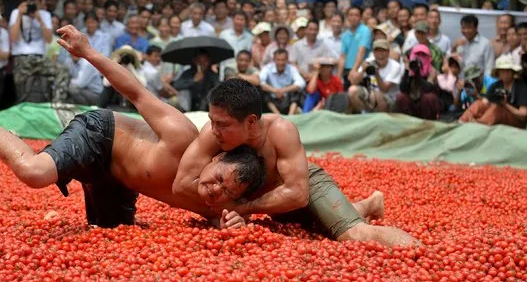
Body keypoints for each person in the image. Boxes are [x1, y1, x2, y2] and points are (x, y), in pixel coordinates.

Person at [0, 25, 265, 229]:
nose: (214, 190)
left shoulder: (213, 201)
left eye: (224, 192)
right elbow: (134, 90)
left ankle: (20, 145)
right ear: (215, 158)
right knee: (33, 172)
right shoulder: (181, 136)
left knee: (109, 232)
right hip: (102, 135)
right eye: (217, 179)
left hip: (116, 181)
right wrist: (88, 52)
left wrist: (234, 221)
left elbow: (229, 216)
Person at [172, 78, 419, 247]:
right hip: (271, 205)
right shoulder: (213, 133)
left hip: (305, 186)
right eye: (212, 121)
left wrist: (244, 209)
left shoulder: (280, 131)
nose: (213, 130)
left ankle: (420, 251)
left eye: (222, 124)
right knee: (318, 226)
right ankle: (368, 204)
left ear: (250, 122)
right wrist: (224, 210)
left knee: (352, 234)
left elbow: (298, 194)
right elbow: (182, 184)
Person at [9, 0, 66, 103]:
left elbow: (49, 39)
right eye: (29, 3)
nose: (31, 6)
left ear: (40, 3)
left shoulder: (44, 15)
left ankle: (57, 104)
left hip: (39, 59)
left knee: (62, 71)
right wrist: (20, 16)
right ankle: (20, 107)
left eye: (34, 3)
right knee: (20, 87)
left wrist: (39, 19)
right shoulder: (16, 13)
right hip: (21, 58)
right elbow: (13, 38)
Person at [459, 55, 527, 128]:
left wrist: (505, 104)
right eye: (502, 71)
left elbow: (523, 115)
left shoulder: (521, 87)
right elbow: (484, 102)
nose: (505, 74)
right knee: (478, 104)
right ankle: (462, 121)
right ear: (498, 72)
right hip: (499, 117)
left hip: (516, 121)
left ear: (512, 72)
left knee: (497, 108)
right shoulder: (496, 85)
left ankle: (480, 125)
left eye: (507, 70)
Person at [57, 12, 109, 105]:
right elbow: (64, 76)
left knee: (72, 90)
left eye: (93, 22)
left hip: (95, 92)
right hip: (83, 87)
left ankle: (88, 109)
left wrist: (69, 83)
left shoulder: (87, 63)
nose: (90, 25)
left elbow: (79, 84)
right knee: (67, 88)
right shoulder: (69, 60)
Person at [348, 39, 404, 114]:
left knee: (377, 94)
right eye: (378, 51)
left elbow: (385, 89)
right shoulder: (369, 61)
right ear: (374, 53)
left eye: (383, 51)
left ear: (388, 52)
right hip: (371, 94)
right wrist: (362, 70)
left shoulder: (395, 66)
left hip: (390, 98)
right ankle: (364, 114)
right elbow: (354, 81)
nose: (380, 55)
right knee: (352, 90)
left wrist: (376, 73)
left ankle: (382, 120)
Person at [395, 44, 441, 120]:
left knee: (429, 98)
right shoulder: (409, 67)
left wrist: (418, 74)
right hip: (411, 103)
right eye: (417, 54)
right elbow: (402, 89)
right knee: (401, 97)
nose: (420, 57)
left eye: (423, 55)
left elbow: (428, 88)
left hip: (425, 106)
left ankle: (428, 123)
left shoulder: (432, 70)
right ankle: (405, 122)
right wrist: (407, 72)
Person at [259, 48, 305, 115]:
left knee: (297, 90)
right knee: (261, 91)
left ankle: (290, 115)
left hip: (286, 99)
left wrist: (283, 90)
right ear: (274, 60)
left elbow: (301, 83)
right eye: (278, 60)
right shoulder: (267, 68)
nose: (280, 62)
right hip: (272, 101)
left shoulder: (291, 68)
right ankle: (277, 114)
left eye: (283, 60)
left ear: (287, 60)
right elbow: (260, 82)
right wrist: (275, 91)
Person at [338, 6, 372, 90]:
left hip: (360, 69)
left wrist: (354, 70)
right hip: (347, 70)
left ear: (360, 17)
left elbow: (361, 51)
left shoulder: (365, 30)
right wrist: (338, 76)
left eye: (356, 15)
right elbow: (342, 56)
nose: (353, 17)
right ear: (347, 17)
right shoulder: (345, 35)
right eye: (351, 15)